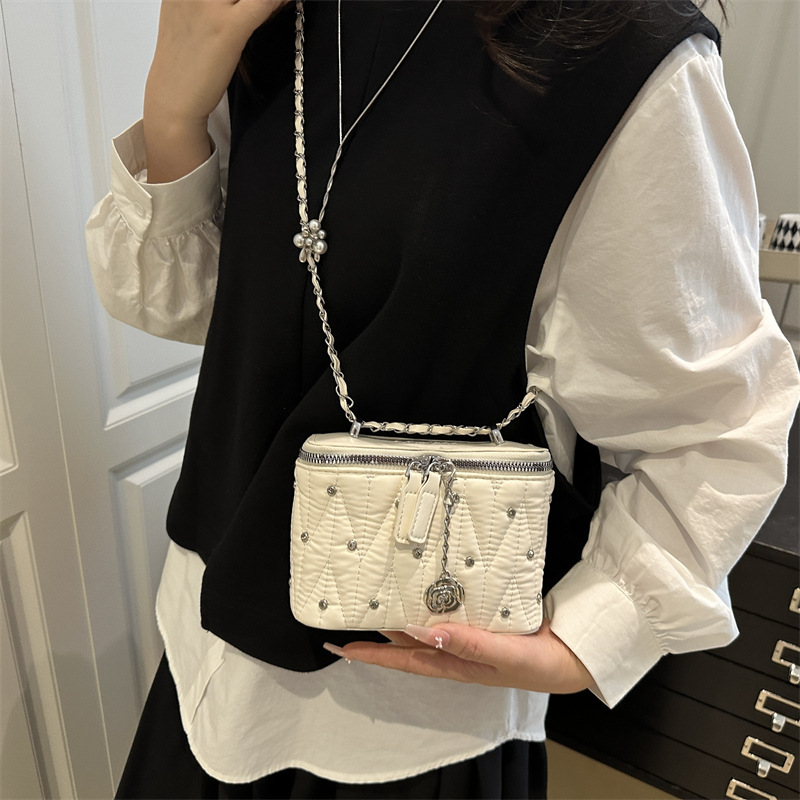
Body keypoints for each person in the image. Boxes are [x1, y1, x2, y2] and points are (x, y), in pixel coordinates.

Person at [85, 1, 799, 797]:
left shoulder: (613, 45)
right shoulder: (266, 14)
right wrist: (172, 114)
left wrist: (600, 630)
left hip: (405, 722)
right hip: (202, 657)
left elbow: (717, 426)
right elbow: (200, 305)